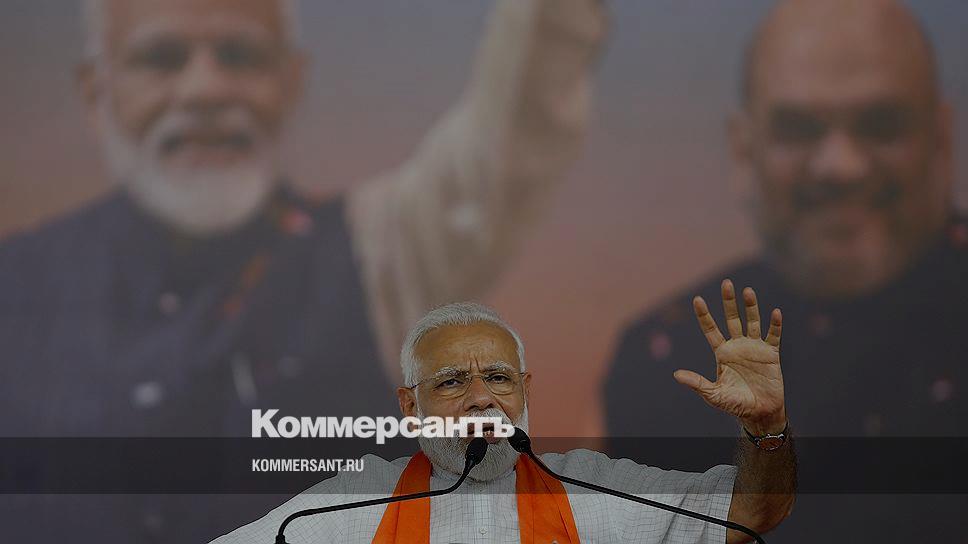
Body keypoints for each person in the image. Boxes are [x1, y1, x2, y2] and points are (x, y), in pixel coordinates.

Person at [0, 0, 604, 540]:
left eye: (239, 56)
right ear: (96, 91)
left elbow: (511, 136)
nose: (205, 88)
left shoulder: (377, 253)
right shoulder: (15, 281)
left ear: (291, 82)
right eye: (161, 58)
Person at [604, 0, 967, 539]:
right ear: (743, 150)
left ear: (940, 138)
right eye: (799, 129)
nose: (841, 165)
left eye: (880, 124)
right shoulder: (665, 366)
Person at [214, 299, 795, 543]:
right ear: (411, 407)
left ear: (524, 391)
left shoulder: (592, 490)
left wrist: (767, 428)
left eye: (498, 378)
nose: (480, 399)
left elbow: (750, 514)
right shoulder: (352, 505)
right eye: (451, 382)